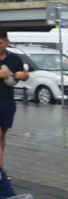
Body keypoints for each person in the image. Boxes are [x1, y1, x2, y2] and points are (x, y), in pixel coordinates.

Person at [0, 31, 29, 171]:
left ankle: (1, 171)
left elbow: (24, 74)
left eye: (0, 42)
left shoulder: (14, 58)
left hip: (7, 100)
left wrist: (24, 75)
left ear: (7, 42)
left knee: (2, 136)